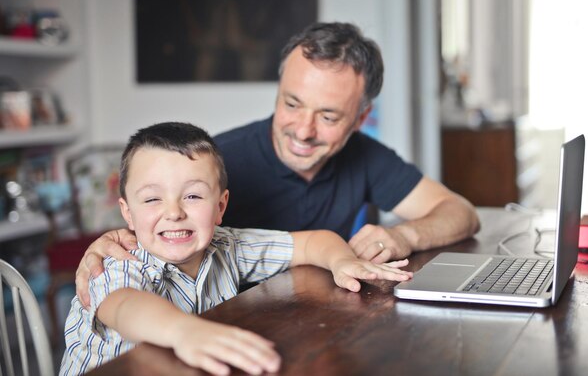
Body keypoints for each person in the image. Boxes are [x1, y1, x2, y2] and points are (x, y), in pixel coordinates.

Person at [75, 22, 480, 308]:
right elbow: (157, 230)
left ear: (359, 119)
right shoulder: (215, 164)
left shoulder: (366, 155)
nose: (303, 131)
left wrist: (405, 235)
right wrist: (113, 244)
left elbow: (461, 213)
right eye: (291, 104)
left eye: (329, 116)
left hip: (319, 322)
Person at [59, 122, 412, 376]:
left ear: (221, 206)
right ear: (127, 213)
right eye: (152, 199)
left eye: (193, 195)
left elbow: (312, 241)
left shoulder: (229, 246)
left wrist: (342, 260)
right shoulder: (120, 259)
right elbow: (123, 306)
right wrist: (185, 331)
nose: (174, 212)